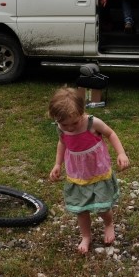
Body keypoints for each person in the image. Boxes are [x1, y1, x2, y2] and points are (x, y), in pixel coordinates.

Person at [48, 87, 130, 254]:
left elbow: (110, 133)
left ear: (82, 112)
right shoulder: (61, 127)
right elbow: (62, 143)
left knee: (103, 206)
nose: (70, 128)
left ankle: (108, 223)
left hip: (97, 171)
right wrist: (58, 164)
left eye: (74, 123)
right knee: (81, 208)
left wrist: (121, 153)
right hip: (77, 174)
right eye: (64, 124)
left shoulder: (93, 123)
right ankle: (86, 235)